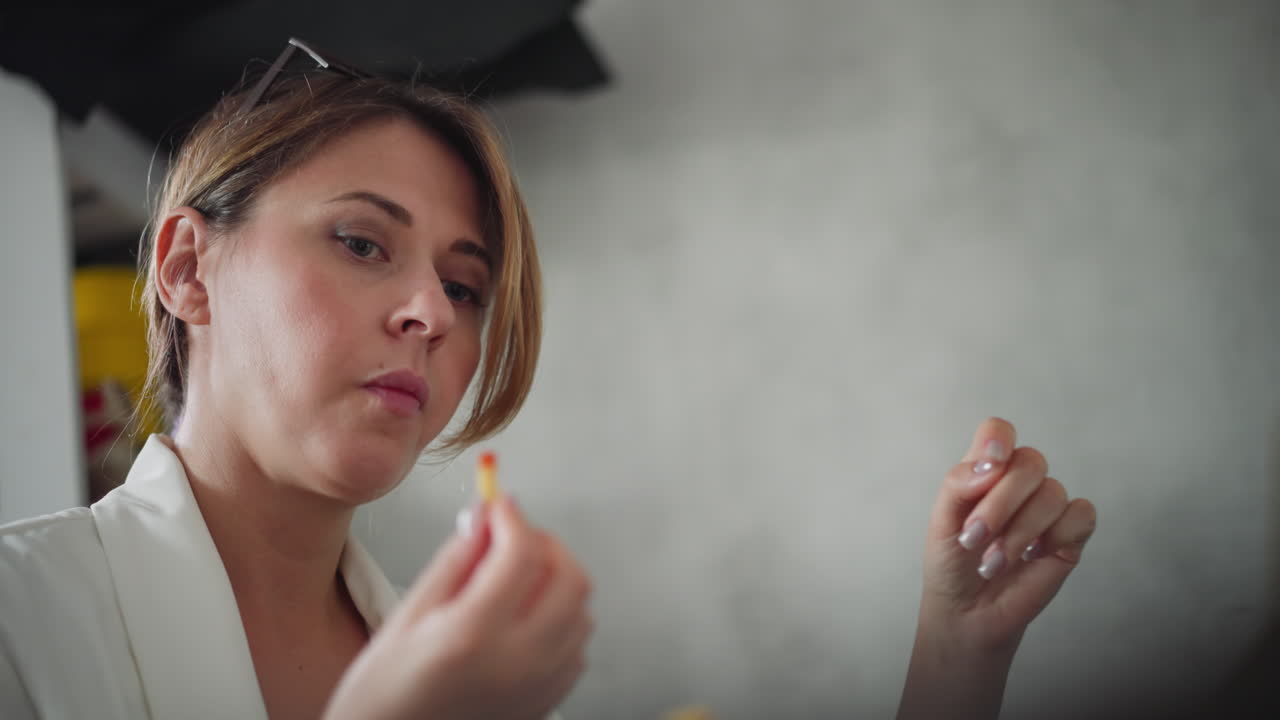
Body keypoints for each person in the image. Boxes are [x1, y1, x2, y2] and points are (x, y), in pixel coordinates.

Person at [0, 40, 1095, 720]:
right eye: (363, 243)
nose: (431, 311)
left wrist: (958, 650)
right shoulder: (20, 621)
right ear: (188, 268)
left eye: (466, 286)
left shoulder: (477, 672)